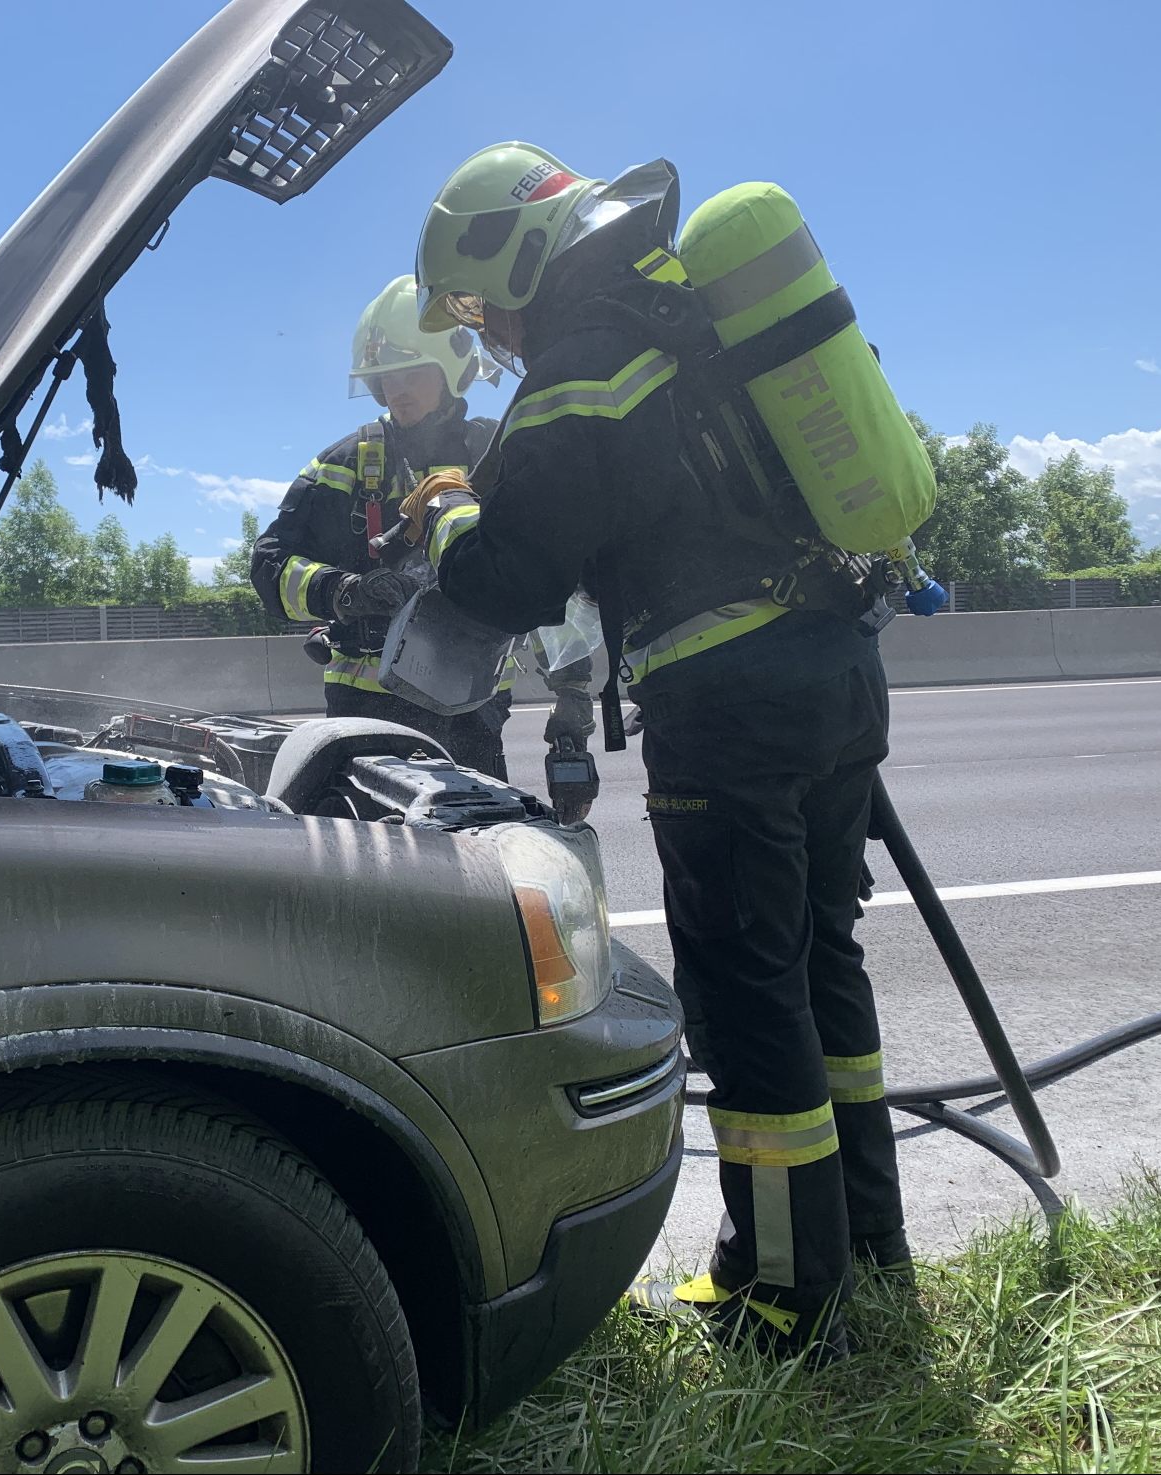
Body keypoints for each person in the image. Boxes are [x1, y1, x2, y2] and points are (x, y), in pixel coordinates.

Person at [403, 143, 908, 1359]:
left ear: (515, 256)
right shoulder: (696, 314)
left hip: (724, 700)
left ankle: (784, 1300)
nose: (488, 331)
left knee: (745, 996)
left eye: (476, 303)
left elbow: (508, 576)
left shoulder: (583, 361)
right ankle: (870, 1247)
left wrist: (456, 505)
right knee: (822, 964)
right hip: (837, 673)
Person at [251, 276, 595, 789]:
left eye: (411, 371)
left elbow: (541, 575)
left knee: (475, 852)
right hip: (363, 706)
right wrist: (343, 592)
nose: (396, 389)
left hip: (472, 706)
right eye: (385, 375)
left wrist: (571, 692)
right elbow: (270, 565)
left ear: (450, 369)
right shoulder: (345, 462)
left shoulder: (496, 454)